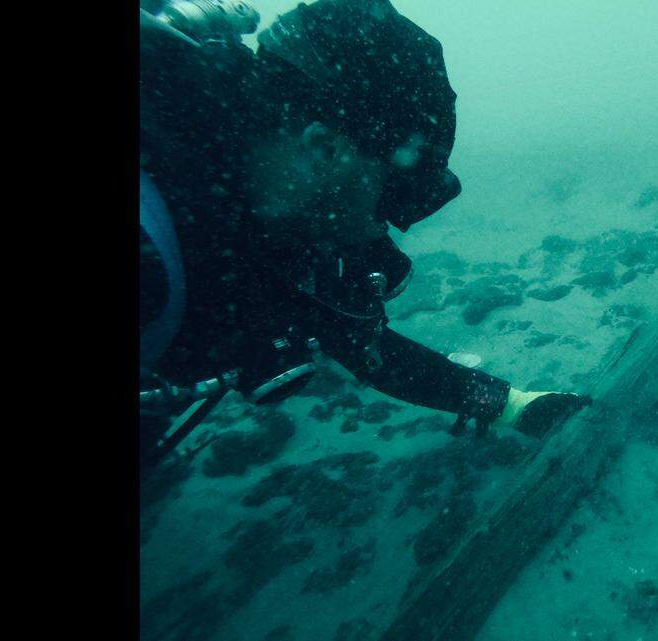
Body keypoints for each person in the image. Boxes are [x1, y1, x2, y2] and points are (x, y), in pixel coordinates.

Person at [139, 0, 588, 474]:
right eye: (388, 194)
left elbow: (362, 346)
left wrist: (511, 404)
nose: (386, 223)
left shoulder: (267, 212)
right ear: (326, 148)